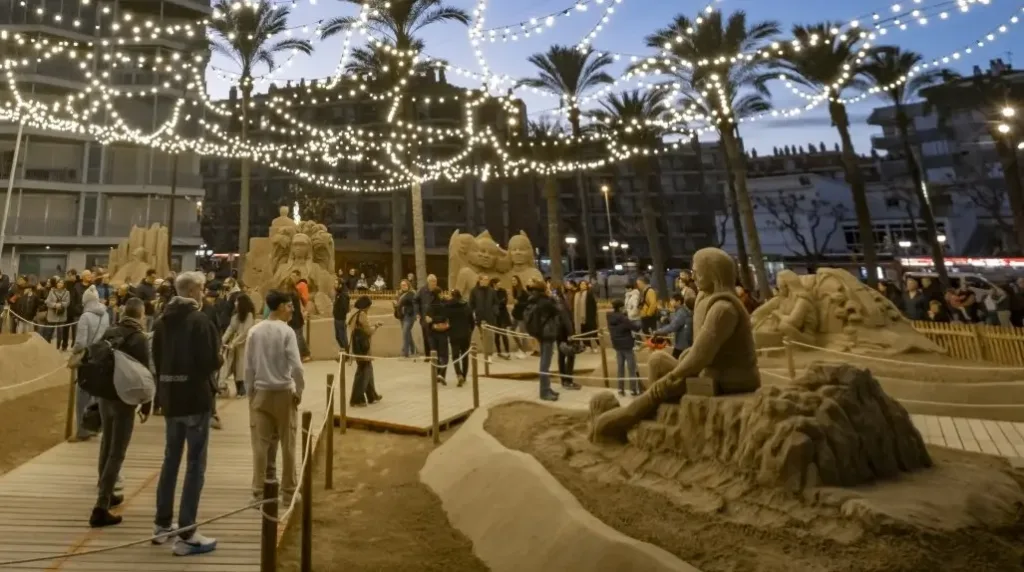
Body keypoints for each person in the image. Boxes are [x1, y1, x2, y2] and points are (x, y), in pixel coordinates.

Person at [151, 271, 221, 556]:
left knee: (170, 460)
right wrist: (220, 358)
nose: (203, 293)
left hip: (170, 399)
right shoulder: (200, 321)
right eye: (201, 289)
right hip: (194, 399)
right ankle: (187, 531)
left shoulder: (161, 321)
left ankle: (162, 524)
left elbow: (156, 359)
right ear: (193, 291)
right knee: (194, 465)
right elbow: (208, 362)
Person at [89, 297, 152, 528]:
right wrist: (147, 404)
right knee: (117, 452)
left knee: (106, 444)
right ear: (141, 314)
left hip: (106, 397)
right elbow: (145, 374)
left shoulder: (110, 332)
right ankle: (101, 505)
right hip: (125, 400)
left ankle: (106, 491)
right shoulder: (139, 339)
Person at [244, 290, 304, 507]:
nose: (292, 309)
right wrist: (299, 390)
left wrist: (250, 392)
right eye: (289, 306)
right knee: (288, 444)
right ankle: (288, 492)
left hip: (261, 392)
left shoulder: (255, 331)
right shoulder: (287, 332)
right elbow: (297, 366)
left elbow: (248, 367)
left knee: (260, 445)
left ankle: (258, 493)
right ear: (280, 307)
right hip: (284, 393)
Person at [73, 285, 111, 441]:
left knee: (82, 396)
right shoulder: (106, 315)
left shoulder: (85, 317)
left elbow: (80, 343)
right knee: (96, 396)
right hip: (102, 359)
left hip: (88, 360)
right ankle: (95, 427)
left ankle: (82, 430)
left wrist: (74, 353)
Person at [523, 279, 560, 401]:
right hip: (547, 334)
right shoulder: (545, 301)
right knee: (545, 364)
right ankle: (544, 391)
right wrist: (551, 296)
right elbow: (558, 309)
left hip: (541, 333)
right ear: (544, 289)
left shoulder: (534, 300)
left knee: (545, 362)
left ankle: (547, 388)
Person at [348, 295, 383, 406]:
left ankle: (372, 395)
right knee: (363, 372)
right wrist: (376, 326)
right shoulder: (362, 314)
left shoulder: (352, 313)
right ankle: (356, 399)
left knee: (368, 370)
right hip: (363, 348)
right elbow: (368, 331)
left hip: (356, 346)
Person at [222, 293, 256, 397]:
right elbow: (230, 329)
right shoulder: (235, 316)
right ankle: (239, 388)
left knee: (242, 367)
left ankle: (243, 389)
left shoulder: (249, 316)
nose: (235, 303)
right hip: (235, 346)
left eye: (237, 301)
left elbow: (245, 332)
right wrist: (222, 340)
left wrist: (234, 342)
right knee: (235, 368)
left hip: (245, 345)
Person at [607, 299, 641, 396]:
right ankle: (633, 390)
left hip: (617, 345)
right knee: (631, 368)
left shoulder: (610, 317)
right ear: (621, 307)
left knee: (620, 368)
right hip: (627, 345)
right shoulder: (623, 318)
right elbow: (636, 327)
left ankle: (620, 389)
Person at [552, 286, 581, 391]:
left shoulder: (553, 301)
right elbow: (566, 319)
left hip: (557, 333)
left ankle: (564, 380)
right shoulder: (560, 303)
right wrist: (571, 334)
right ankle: (568, 381)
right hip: (564, 333)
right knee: (570, 356)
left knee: (561, 357)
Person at [445, 290, 475, 387]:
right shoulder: (466, 306)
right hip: (465, 334)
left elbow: (445, 319)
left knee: (455, 356)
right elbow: (472, 322)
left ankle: (458, 374)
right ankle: (464, 376)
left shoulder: (448, 307)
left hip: (454, 334)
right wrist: (469, 331)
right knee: (465, 355)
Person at [654, 294, 694, 360]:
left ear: (678, 302)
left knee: (675, 363)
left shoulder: (681, 313)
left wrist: (658, 331)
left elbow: (673, 326)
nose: (671, 302)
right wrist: (667, 319)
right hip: (683, 343)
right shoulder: (681, 311)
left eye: (672, 300)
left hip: (682, 345)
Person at [469, 275, 497, 360]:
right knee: (482, 335)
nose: (486, 281)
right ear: (480, 280)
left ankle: (489, 354)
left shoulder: (492, 291)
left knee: (490, 336)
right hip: (480, 316)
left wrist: (494, 311)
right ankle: (486, 351)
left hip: (490, 316)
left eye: (487, 280)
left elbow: (496, 302)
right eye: (484, 279)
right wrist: (474, 312)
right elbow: (471, 303)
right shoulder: (474, 291)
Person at [427, 290, 452, 386]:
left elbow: (427, 320)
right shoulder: (444, 305)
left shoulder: (429, 306)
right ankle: (442, 374)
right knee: (444, 354)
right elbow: (446, 317)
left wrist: (432, 320)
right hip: (443, 333)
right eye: (441, 293)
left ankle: (437, 375)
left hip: (432, 333)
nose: (442, 295)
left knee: (435, 355)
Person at [415, 274, 439, 357]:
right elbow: (415, 301)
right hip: (424, 317)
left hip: (435, 317)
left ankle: (435, 354)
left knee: (435, 336)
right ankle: (428, 355)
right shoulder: (422, 290)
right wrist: (418, 312)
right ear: (428, 282)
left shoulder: (437, 291)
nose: (434, 283)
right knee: (426, 336)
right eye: (433, 281)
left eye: (435, 281)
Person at [509, 275, 532, 359]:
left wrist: (518, 303)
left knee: (523, 334)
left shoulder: (522, 291)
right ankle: (521, 347)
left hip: (522, 316)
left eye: (515, 280)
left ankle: (524, 351)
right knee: (512, 330)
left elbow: (528, 303)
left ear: (518, 281)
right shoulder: (514, 290)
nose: (513, 282)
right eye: (512, 280)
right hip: (516, 315)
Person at [45, 278, 72, 351]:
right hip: (52, 314)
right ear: (56, 284)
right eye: (59, 282)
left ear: (64, 284)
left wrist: (61, 305)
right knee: (49, 332)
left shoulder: (67, 292)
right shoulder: (51, 291)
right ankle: (47, 347)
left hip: (61, 315)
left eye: (62, 283)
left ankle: (57, 348)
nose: (60, 284)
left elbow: (67, 303)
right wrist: (55, 305)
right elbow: (47, 302)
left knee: (60, 333)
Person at [394, 279, 418, 358]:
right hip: (402, 316)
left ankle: (405, 352)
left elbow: (415, 304)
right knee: (407, 333)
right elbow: (398, 304)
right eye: (402, 285)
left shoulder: (412, 293)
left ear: (408, 285)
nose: (403, 286)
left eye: (404, 285)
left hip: (410, 315)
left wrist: (416, 314)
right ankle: (414, 349)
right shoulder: (399, 294)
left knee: (405, 332)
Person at [573, 280, 598, 352]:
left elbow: (593, 305)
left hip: (588, 316)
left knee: (591, 331)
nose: (583, 286)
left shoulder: (589, 294)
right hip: (579, 317)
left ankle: (595, 347)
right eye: (581, 284)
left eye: (584, 284)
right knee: (583, 332)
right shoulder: (576, 294)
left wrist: (593, 315)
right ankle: (587, 346)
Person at [491, 277, 512, 359]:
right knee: (496, 335)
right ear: (494, 284)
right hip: (495, 316)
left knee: (504, 333)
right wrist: (499, 303)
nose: (500, 284)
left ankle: (507, 351)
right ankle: (499, 351)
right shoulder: (491, 292)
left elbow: (504, 302)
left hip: (503, 315)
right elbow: (493, 303)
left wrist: (498, 304)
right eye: (498, 283)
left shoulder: (503, 291)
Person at [333, 281, 350, 355]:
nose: (335, 285)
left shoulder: (343, 295)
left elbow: (345, 308)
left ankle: (346, 354)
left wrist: (345, 317)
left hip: (341, 319)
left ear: (340, 285)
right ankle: (343, 352)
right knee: (338, 336)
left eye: (336, 283)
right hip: (337, 318)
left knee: (342, 337)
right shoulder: (338, 294)